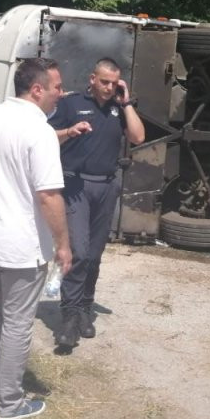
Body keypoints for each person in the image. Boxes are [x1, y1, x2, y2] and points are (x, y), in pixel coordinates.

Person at [0, 58, 72, 419]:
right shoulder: (38, 130)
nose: (61, 93)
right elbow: (49, 196)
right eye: (57, 86)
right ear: (37, 89)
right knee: (17, 322)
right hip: (19, 244)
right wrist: (63, 244)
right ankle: (10, 403)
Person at [47, 58, 146, 347]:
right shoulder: (70, 104)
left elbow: (138, 137)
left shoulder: (118, 108)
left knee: (94, 253)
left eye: (114, 83)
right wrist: (68, 131)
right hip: (76, 184)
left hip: (106, 185)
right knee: (78, 250)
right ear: (92, 79)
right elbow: (45, 136)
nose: (108, 87)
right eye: (104, 81)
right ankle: (69, 316)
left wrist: (126, 103)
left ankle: (84, 307)